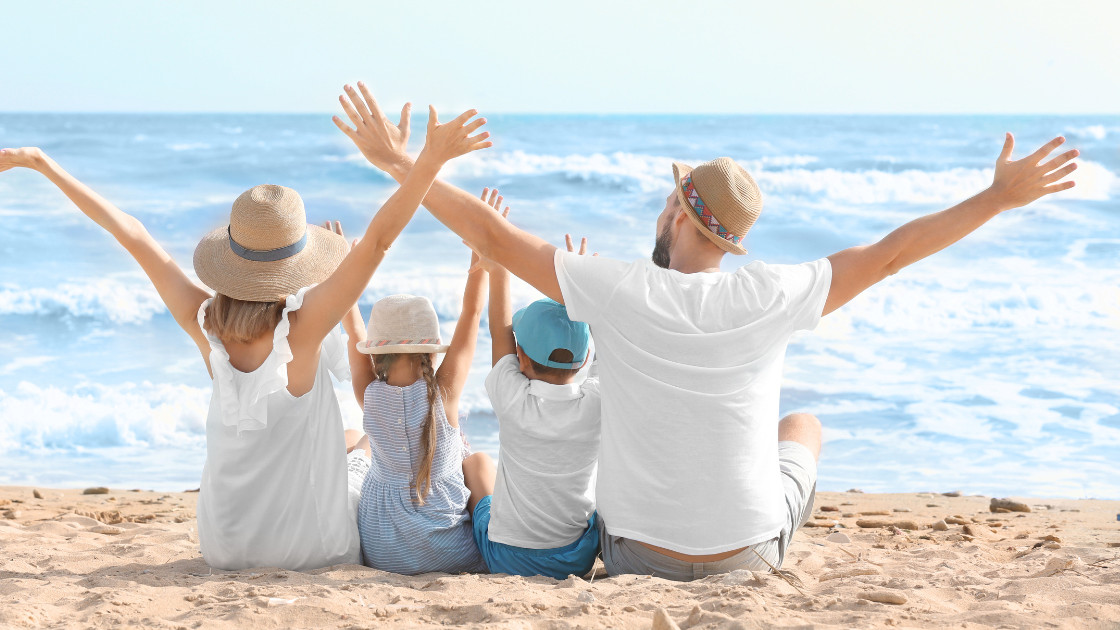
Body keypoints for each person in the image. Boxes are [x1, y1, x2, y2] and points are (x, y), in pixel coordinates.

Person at [331, 83, 1079, 580]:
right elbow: (887, 256)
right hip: (749, 557)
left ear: (679, 215)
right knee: (804, 426)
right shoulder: (772, 292)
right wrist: (995, 198)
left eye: (667, 202)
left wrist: (405, 163)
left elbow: (493, 238)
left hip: (633, 559)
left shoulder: (617, 289)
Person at [0, 97, 491, 571]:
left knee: (355, 445)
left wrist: (43, 165)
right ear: (296, 266)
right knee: (364, 452)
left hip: (224, 546)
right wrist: (428, 162)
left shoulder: (204, 326)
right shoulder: (301, 333)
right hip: (312, 549)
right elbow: (376, 242)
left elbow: (131, 233)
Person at [470, 191, 603, 578]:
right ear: (584, 360)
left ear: (521, 357)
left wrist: (497, 269)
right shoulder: (597, 401)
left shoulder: (513, 400)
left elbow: (499, 333)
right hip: (577, 557)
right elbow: (606, 339)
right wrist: (583, 288)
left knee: (477, 463)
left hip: (507, 558)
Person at [347, 255, 494, 575]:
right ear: (431, 352)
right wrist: (481, 262)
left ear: (374, 353)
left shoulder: (369, 395)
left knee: (358, 444)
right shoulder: (444, 394)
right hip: (452, 552)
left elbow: (352, 332)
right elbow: (472, 313)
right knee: (475, 461)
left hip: (383, 553)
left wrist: (346, 275)